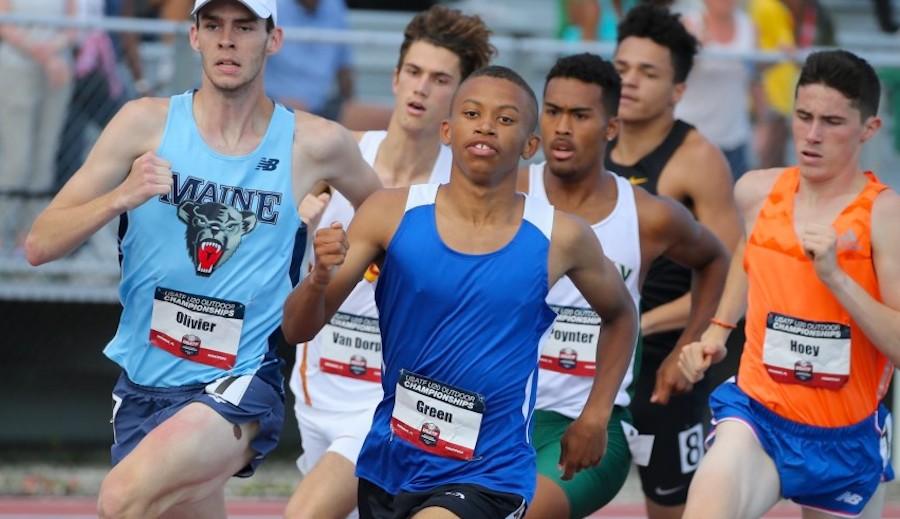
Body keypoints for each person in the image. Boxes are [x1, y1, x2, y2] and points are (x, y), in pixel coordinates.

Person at [24, 1, 381, 517]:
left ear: (274, 39)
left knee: (120, 498)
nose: (227, 40)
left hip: (240, 380)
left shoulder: (316, 143)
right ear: (194, 36)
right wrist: (120, 197)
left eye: (244, 27)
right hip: (145, 383)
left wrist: (345, 268)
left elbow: (392, 221)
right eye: (213, 25)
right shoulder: (143, 124)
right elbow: (40, 244)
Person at [282, 65, 639, 519]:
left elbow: (621, 315)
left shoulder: (561, 236)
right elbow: (297, 329)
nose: (486, 126)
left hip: (489, 473)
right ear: (448, 131)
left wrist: (596, 414)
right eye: (472, 113)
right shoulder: (388, 213)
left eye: (505, 119)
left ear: (531, 145)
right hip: (393, 461)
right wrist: (317, 278)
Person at [284, 6, 495, 519]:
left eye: (441, 79)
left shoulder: (461, 191)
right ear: (396, 77)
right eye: (415, 72)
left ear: (462, 99)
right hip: (316, 387)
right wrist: (297, 223)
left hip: (392, 402)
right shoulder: (341, 156)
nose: (422, 88)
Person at [679, 49, 899, 519]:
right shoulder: (756, 191)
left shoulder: (885, 216)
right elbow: (750, 252)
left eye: (832, 122)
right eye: (803, 117)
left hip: (845, 439)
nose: (813, 135)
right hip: (759, 418)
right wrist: (719, 329)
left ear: (868, 129)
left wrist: (837, 278)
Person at [520, 53, 729, 519]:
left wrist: (689, 342)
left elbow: (715, 260)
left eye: (580, 115)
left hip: (590, 423)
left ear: (611, 127)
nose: (562, 128)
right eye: (553, 111)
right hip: (497, 416)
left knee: (522, 511)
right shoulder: (508, 193)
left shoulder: (646, 216)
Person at [605, 5, 742, 519]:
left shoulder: (697, 160)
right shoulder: (586, 142)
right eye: (621, 68)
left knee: (671, 508)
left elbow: (732, 279)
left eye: (648, 72)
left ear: (678, 90)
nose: (629, 81)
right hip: (580, 353)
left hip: (664, 361)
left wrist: (644, 326)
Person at [675, 0, 758, 180]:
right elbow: (673, 69)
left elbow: (754, 73)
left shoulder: (748, 25)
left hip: (734, 137)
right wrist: (690, 47)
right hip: (691, 137)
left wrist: (784, 54)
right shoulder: (690, 23)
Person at [265, 0, 354, 121]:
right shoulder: (273, 6)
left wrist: (350, 102)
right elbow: (255, 61)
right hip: (276, 104)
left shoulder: (334, 5)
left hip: (323, 106)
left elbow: (344, 65)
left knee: (367, 117)